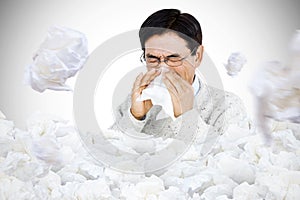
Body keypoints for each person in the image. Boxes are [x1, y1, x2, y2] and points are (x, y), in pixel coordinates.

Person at [112, 9, 248, 145]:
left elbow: (227, 159)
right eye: (152, 58)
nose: (163, 69)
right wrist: (135, 117)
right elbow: (105, 153)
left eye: (173, 58)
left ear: (198, 56)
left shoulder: (227, 106)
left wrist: (187, 116)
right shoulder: (137, 102)